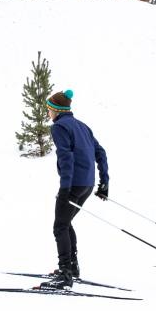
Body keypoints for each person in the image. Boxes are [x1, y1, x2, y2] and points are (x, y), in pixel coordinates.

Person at [41, 89, 109, 289]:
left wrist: (64, 188)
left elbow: (66, 158)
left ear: (56, 110)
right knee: (66, 222)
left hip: (73, 185)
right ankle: (72, 267)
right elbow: (101, 152)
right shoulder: (83, 126)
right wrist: (104, 183)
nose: (48, 113)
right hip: (86, 185)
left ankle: (65, 274)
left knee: (59, 226)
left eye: (49, 109)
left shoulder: (59, 127)